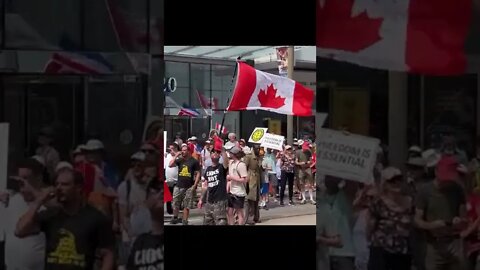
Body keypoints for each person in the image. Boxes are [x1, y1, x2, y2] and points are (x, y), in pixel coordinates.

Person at [15, 168, 115, 270]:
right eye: (57, 184)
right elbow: (20, 230)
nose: (59, 188)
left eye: (65, 184)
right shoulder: (51, 215)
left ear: (78, 187)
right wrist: (38, 202)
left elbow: (108, 254)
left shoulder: (96, 218)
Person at [415, 155, 468, 270]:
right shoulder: (425, 191)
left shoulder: (457, 190)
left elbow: (464, 218)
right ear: (436, 172)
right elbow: (417, 220)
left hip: (454, 242)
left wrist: (459, 221)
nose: (446, 182)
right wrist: (431, 225)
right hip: (433, 245)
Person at [2, 158, 48, 270]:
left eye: (26, 178)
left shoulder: (47, 203)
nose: (21, 182)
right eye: (20, 178)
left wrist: (32, 190)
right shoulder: (12, 199)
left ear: (38, 178)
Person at [367, 167, 413, 270]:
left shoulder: (410, 202)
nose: (396, 183)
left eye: (399, 179)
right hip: (381, 250)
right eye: (392, 181)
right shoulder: (378, 203)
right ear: (385, 184)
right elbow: (370, 226)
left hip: (403, 252)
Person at [127, 179, 164, 270]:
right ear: (146, 201)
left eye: (165, 189)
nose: (162, 192)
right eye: (156, 190)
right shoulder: (139, 243)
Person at [169, 144, 201, 225]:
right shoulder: (180, 160)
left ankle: (184, 220)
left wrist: (195, 185)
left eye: (184, 150)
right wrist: (176, 155)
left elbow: (198, 173)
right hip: (179, 185)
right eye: (182, 150)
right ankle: (175, 217)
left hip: (188, 186)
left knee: (186, 205)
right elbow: (170, 165)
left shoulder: (194, 161)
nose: (182, 152)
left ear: (188, 151)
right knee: (175, 203)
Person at [198, 150, 229, 225]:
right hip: (209, 201)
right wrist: (201, 199)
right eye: (213, 152)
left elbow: (226, 163)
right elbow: (205, 186)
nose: (215, 153)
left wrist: (222, 150)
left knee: (221, 222)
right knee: (207, 222)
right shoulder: (208, 169)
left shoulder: (221, 167)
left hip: (220, 201)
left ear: (219, 156)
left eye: (217, 153)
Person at [227, 146, 248, 225]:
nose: (229, 153)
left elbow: (244, 179)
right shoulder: (231, 163)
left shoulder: (241, 165)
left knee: (239, 212)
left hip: (239, 192)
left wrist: (231, 177)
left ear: (234, 154)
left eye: (230, 152)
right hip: (232, 191)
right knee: (229, 211)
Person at [244, 145, 262, 224]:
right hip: (250, 179)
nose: (258, 150)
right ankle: (249, 218)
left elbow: (260, 169)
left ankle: (256, 217)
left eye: (259, 148)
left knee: (257, 200)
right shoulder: (249, 157)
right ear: (253, 148)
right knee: (250, 199)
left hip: (257, 179)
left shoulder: (260, 157)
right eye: (256, 148)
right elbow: (244, 167)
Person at [165, 143, 179, 215]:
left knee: (175, 197)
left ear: (176, 148)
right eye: (169, 149)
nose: (171, 150)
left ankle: (175, 211)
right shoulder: (167, 156)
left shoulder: (179, 156)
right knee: (168, 197)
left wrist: (176, 154)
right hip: (168, 179)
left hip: (176, 180)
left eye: (172, 148)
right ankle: (169, 210)